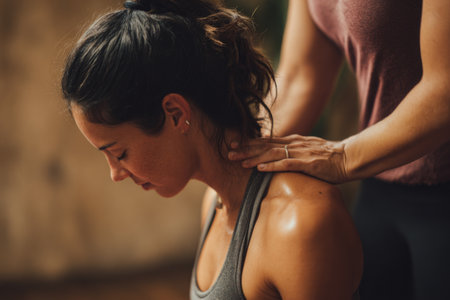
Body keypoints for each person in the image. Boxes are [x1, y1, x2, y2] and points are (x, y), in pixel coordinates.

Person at [61, 0, 363, 299]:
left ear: (176, 113)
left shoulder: (301, 225)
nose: (115, 174)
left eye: (119, 153)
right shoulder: (214, 203)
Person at [228, 0, 450, 299]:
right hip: (380, 187)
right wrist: (237, 155)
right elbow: (300, 77)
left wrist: (341, 157)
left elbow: (444, 92)